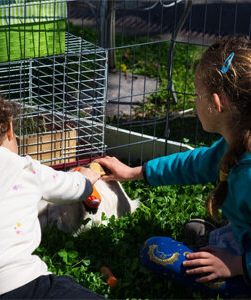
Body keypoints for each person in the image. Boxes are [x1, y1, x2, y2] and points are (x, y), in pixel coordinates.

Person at [95, 36, 251, 297]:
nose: (194, 102)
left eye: (196, 94)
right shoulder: (233, 143)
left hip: (243, 263)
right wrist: (134, 172)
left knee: (156, 251)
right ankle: (223, 238)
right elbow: (193, 162)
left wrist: (236, 265)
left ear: (216, 103)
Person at [0, 73, 104, 299]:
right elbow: (69, 186)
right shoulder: (23, 168)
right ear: (8, 128)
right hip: (29, 286)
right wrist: (86, 180)